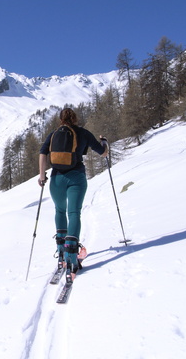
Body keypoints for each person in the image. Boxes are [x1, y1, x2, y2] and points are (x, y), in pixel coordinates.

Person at [38, 108, 108, 281]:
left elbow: (42, 152)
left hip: (56, 179)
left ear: (61, 119)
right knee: (74, 213)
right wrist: (105, 142)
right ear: (75, 118)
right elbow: (102, 152)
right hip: (76, 177)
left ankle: (62, 254)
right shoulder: (83, 133)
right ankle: (72, 259)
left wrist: (41, 175)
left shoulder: (54, 134)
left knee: (60, 211)